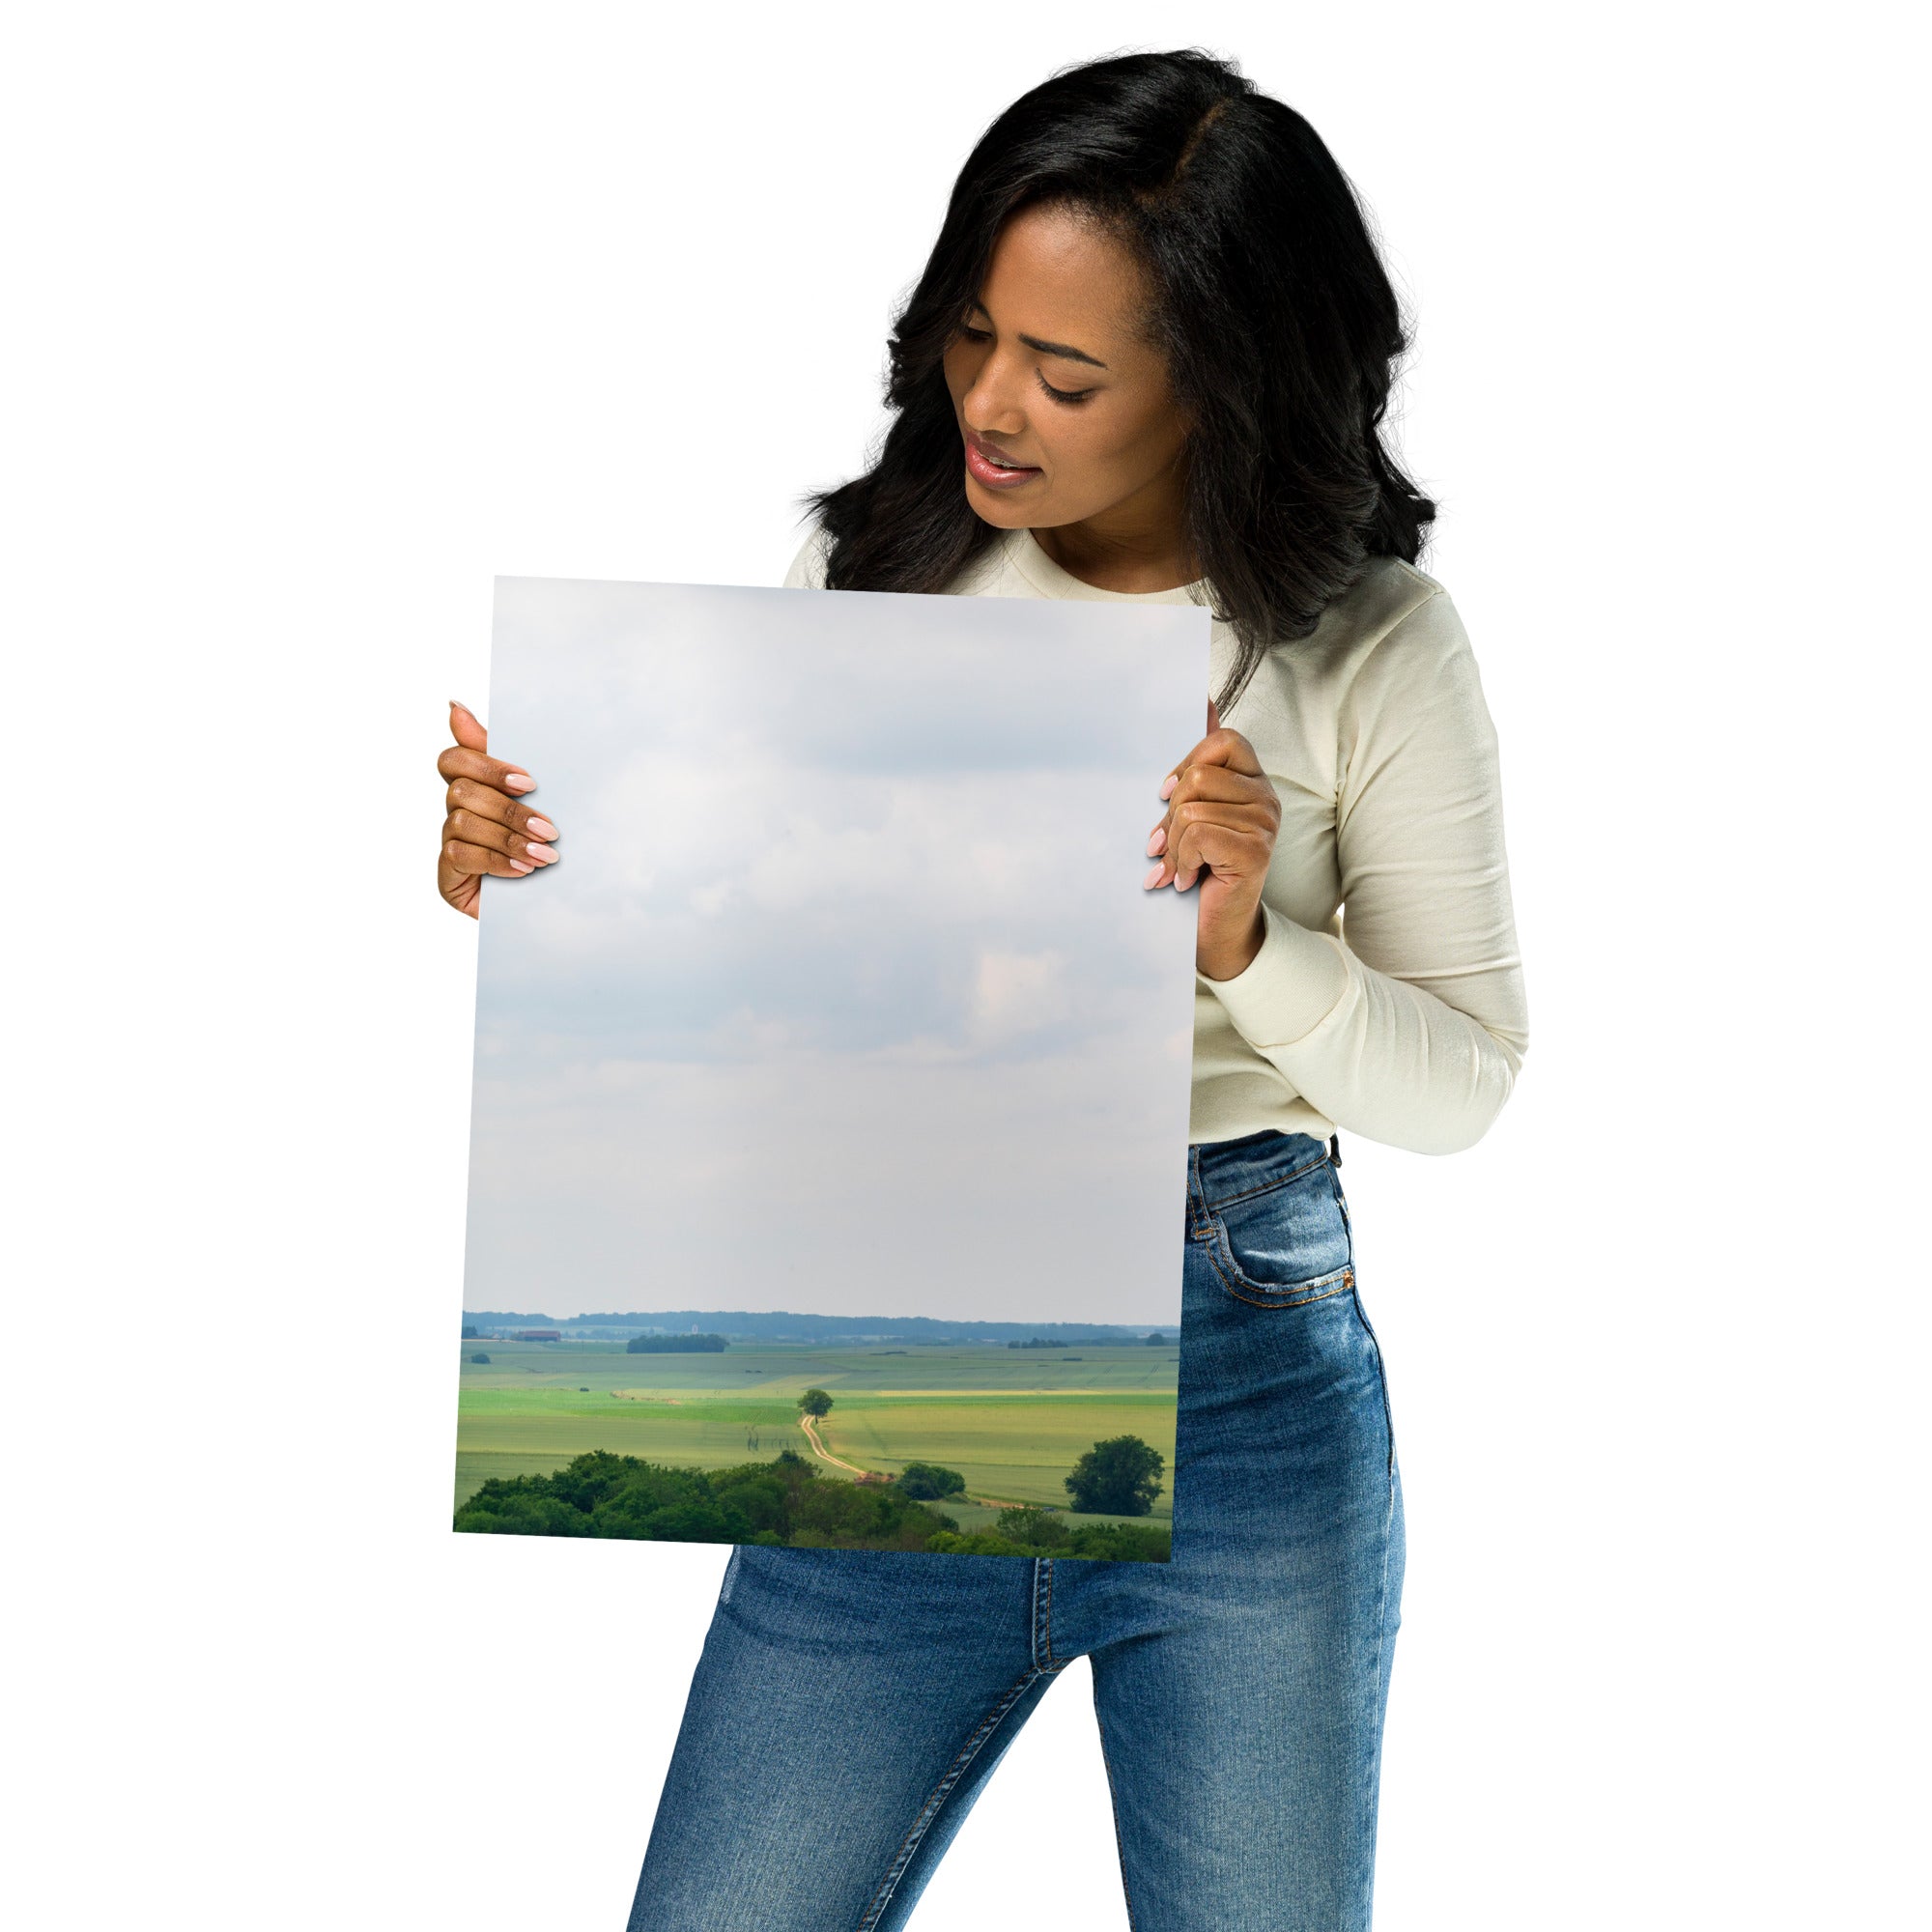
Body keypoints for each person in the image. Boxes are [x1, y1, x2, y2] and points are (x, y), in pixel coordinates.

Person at [436, 48, 1528, 1932]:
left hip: (1247, 1378)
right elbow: (747, 991)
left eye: (1068, 371)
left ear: (1223, 384)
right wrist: (526, 883)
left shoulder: (1369, 644)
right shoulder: (871, 573)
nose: (991, 404)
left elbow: (1463, 1087)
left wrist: (1246, 943)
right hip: (892, 1368)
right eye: (969, 336)